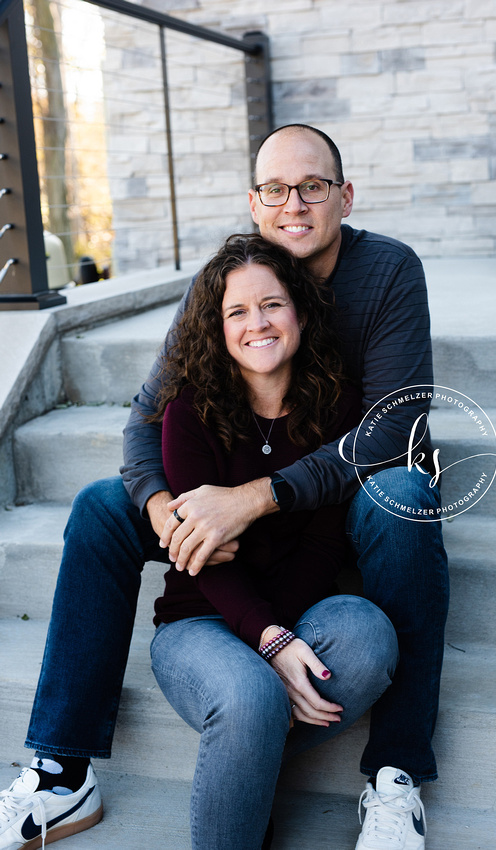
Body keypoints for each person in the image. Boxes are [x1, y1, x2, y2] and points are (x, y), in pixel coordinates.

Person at [0, 124, 449, 850]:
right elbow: (147, 422)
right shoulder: (232, 283)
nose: (293, 204)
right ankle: (62, 770)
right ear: (253, 202)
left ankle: (395, 774)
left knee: (403, 494)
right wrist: (168, 512)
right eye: (275, 189)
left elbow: (389, 429)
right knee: (98, 509)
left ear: (344, 195)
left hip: (349, 500)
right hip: (231, 527)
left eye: (313, 186)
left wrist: (256, 497)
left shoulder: (388, 271)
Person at [149, 232, 398, 849]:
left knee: (368, 635)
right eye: (237, 311)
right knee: (249, 693)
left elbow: (322, 545)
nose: (256, 323)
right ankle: (251, 722)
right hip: (200, 620)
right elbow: (200, 558)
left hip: (299, 609)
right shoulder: (190, 411)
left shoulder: (339, 407)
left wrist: (279, 639)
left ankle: (246, 741)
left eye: (272, 305)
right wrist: (269, 641)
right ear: (218, 327)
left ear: (302, 313)